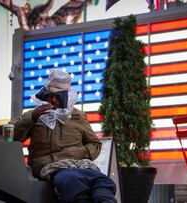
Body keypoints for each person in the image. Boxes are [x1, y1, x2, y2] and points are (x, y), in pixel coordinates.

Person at [14, 70, 116, 203]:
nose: (53, 100)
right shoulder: (35, 116)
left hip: (80, 164)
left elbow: (95, 144)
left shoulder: (78, 116)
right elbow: (14, 138)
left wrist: (79, 153)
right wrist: (32, 117)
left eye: (58, 96)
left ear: (66, 97)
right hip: (53, 167)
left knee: (103, 182)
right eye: (50, 96)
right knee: (71, 182)